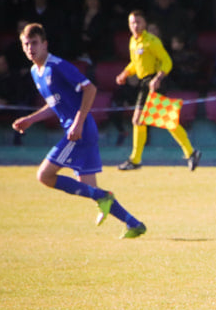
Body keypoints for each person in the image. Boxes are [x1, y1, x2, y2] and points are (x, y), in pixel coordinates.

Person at [12, 23, 146, 239]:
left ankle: (105, 197)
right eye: (26, 44)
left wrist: (78, 122)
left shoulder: (57, 66)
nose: (30, 48)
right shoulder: (35, 72)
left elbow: (90, 88)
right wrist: (31, 119)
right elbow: (54, 104)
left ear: (45, 44)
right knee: (89, 190)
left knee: (44, 176)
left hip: (78, 132)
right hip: (81, 130)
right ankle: (134, 223)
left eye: (34, 43)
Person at [115, 10, 201, 171]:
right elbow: (136, 63)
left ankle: (135, 160)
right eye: (132, 22)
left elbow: (167, 61)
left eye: (138, 22)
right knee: (167, 121)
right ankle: (191, 152)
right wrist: (125, 73)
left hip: (154, 81)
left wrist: (158, 79)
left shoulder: (152, 41)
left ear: (144, 24)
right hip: (144, 82)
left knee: (139, 119)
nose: (135, 25)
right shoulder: (133, 42)